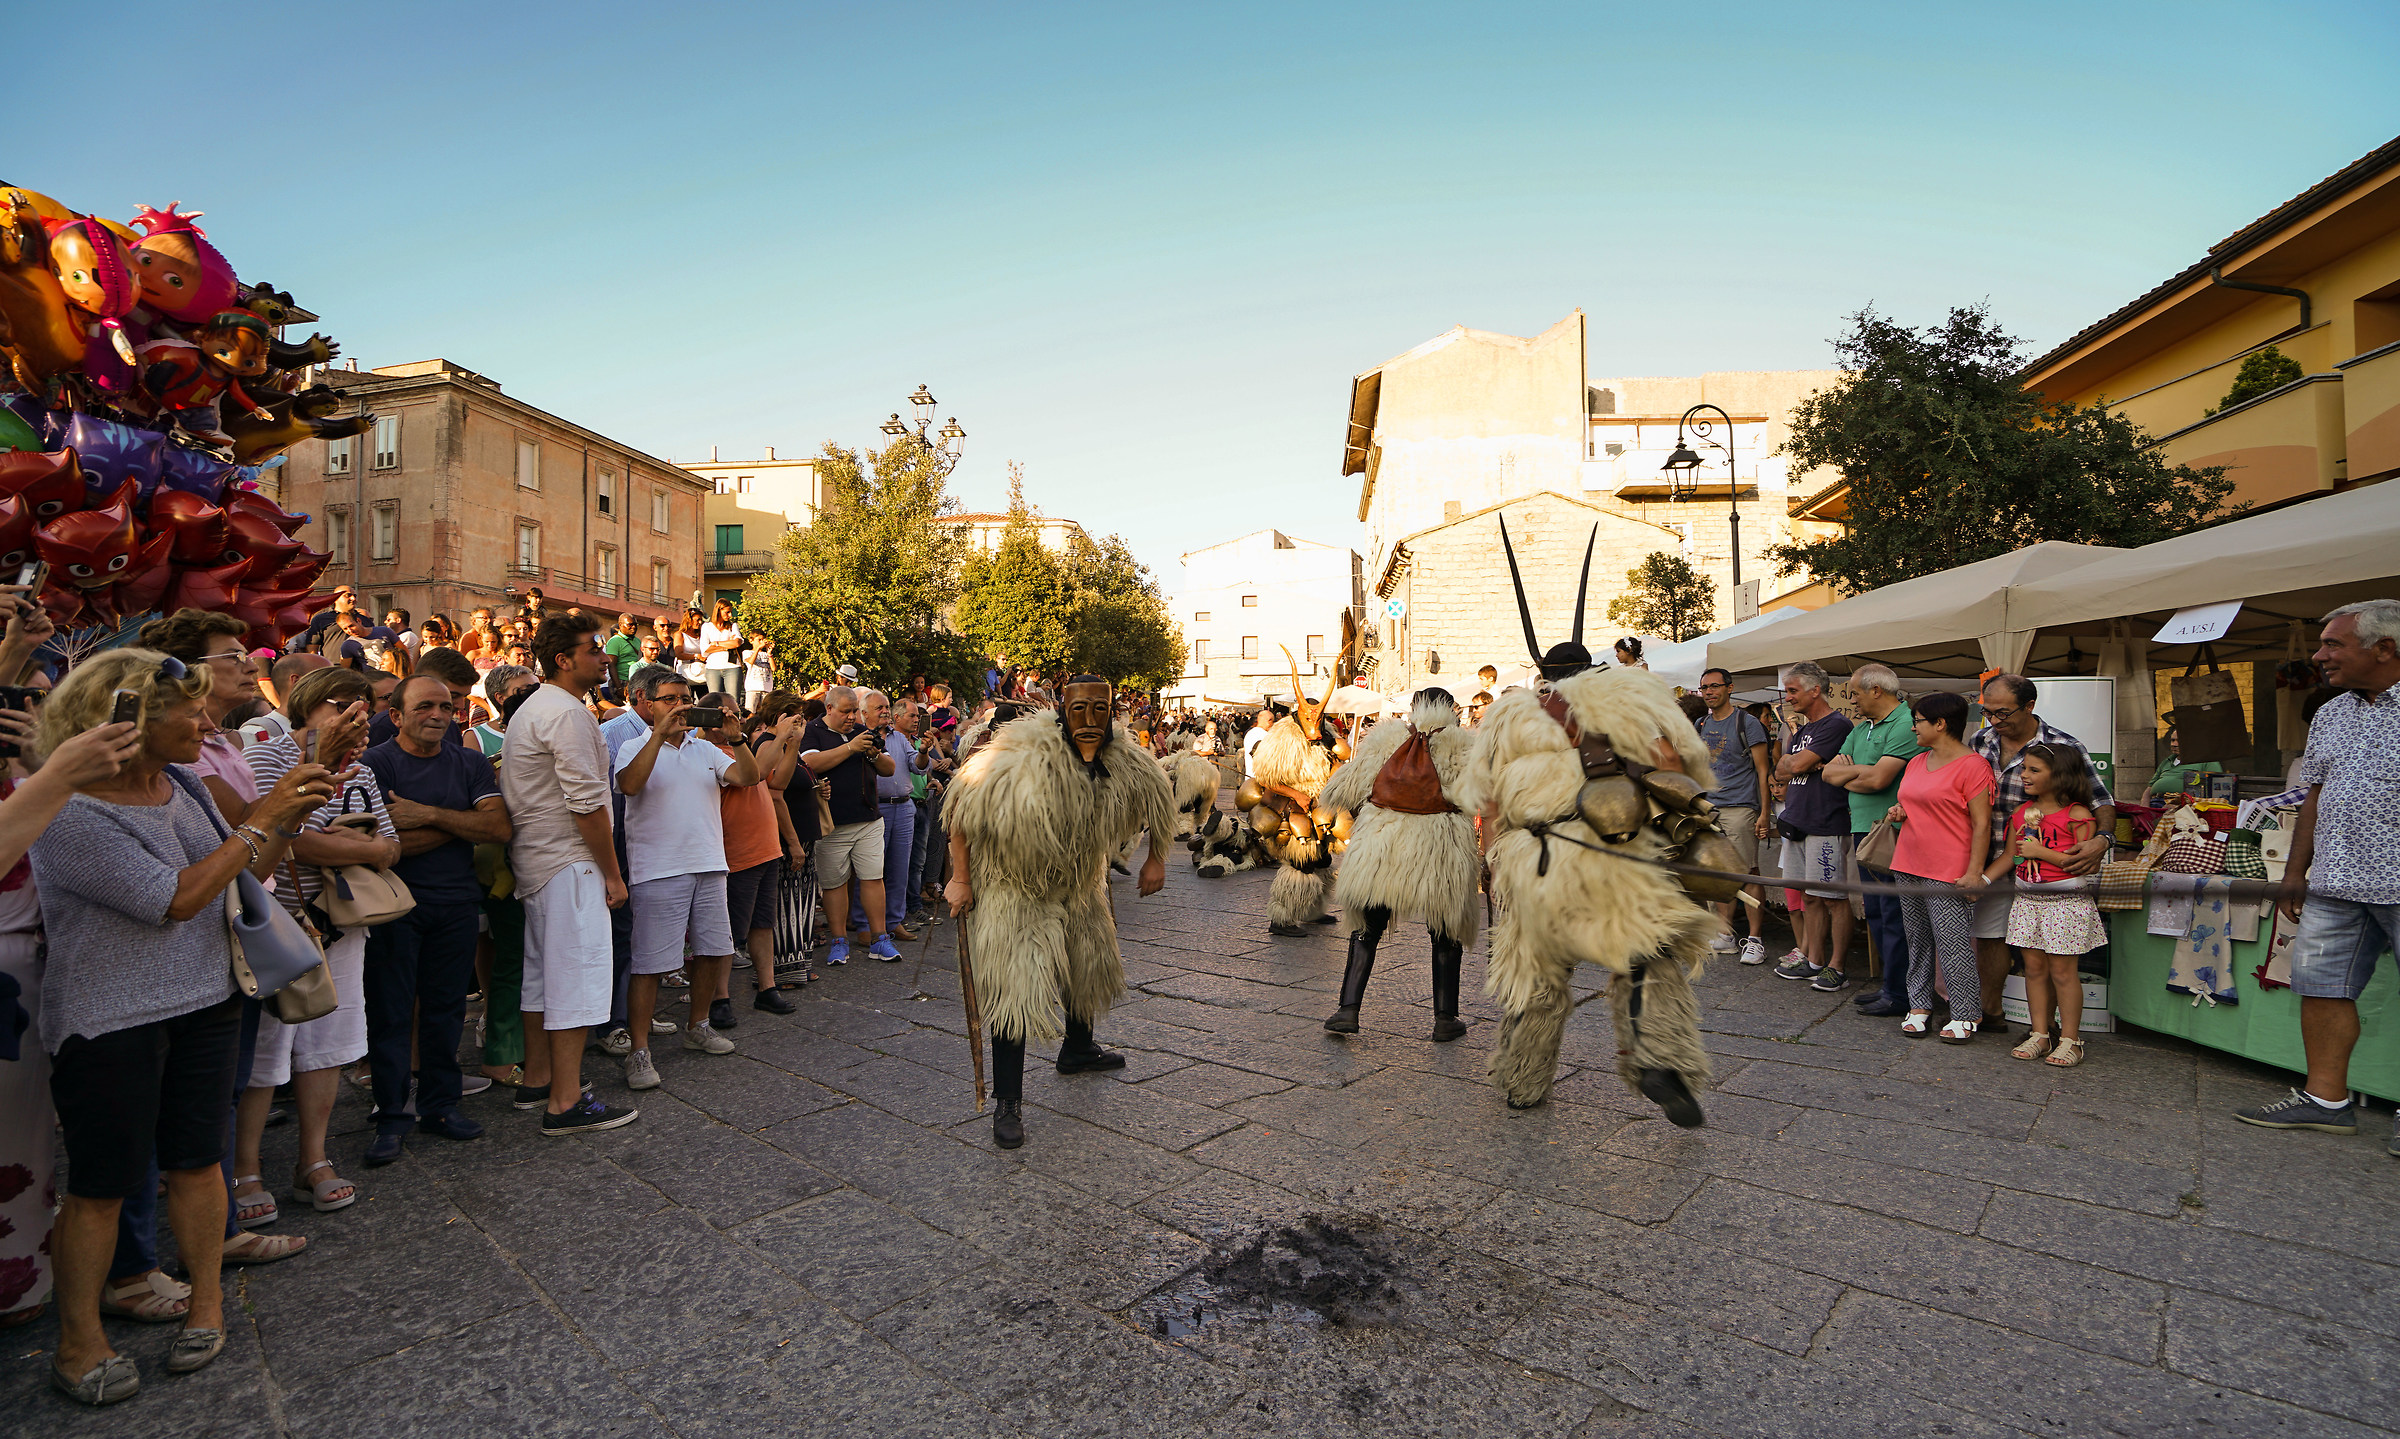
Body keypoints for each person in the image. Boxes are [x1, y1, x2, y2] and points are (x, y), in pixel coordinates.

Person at [32, 649, 336, 1403]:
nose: (207, 724)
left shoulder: (184, 783)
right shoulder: (66, 809)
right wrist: (261, 819)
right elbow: (173, 898)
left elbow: (240, 871)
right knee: (101, 1184)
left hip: (206, 1000)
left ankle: (207, 1303)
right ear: (126, 718)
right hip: (109, 1017)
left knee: (199, 1161)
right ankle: (79, 1341)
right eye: (190, 711)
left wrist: (285, 816)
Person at [944, 675, 1172, 1149]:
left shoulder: (1125, 759)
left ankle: (1078, 1047)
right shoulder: (1016, 758)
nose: (1089, 720)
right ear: (1061, 712)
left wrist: (1156, 858)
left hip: (1079, 883)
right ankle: (1008, 1101)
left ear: (1111, 711)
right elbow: (961, 813)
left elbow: (1159, 797)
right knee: (1014, 989)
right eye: (1078, 709)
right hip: (1015, 886)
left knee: (1087, 967)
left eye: (1099, 709)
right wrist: (961, 879)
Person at [2233, 600, 2400, 1142]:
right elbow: (2315, 797)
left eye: (2333, 644)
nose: (2319, 655)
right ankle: (2326, 1100)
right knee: (2322, 987)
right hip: (2335, 880)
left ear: (2384, 648)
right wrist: (2295, 871)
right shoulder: (2331, 712)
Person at [231, 667, 390, 1226]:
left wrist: (358, 846)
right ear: (307, 704)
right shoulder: (267, 753)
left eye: (363, 707)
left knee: (328, 1043)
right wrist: (355, 845)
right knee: (268, 1047)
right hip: (279, 920)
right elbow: (273, 834)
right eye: (341, 704)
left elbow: (390, 845)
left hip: (342, 922)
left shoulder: (364, 770)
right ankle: (245, 1170)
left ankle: (313, 1160)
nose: (355, 716)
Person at [359, 675, 513, 1165]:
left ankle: (441, 1107)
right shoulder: (375, 763)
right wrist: (459, 821)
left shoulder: (468, 761)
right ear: (397, 716)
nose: (439, 715)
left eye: (446, 707)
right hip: (393, 906)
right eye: (425, 706)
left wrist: (425, 814)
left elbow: (498, 827)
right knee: (391, 1012)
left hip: (456, 904)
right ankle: (390, 1115)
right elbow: (379, 846)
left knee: (447, 1011)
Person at [499, 615, 638, 1134]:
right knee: (576, 981)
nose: (604, 657)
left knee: (543, 978)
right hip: (568, 861)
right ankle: (565, 1101)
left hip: (540, 860)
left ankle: (539, 1080)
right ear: (563, 659)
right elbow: (586, 804)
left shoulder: (540, 706)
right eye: (593, 648)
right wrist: (613, 875)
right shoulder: (566, 713)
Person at [614, 680, 759, 1090]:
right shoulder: (634, 746)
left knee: (713, 951)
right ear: (650, 705)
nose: (679, 706)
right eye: (669, 700)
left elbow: (749, 777)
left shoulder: (706, 749)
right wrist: (658, 737)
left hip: (709, 864)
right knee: (650, 964)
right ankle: (639, 1049)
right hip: (658, 869)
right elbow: (629, 785)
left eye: (685, 700)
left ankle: (698, 1025)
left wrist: (738, 738)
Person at [1317, 688, 1479, 1042]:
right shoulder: (1467, 745)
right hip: (1441, 850)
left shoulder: (1386, 738)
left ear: (1414, 708)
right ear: (1452, 710)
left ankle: (1348, 1009)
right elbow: (1484, 794)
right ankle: (1445, 1018)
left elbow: (1337, 792)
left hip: (1381, 847)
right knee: (1445, 931)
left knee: (1366, 928)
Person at [1969, 674, 2114, 1023]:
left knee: (2050, 955)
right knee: (1991, 938)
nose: (1995, 721)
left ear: (2029, 706)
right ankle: (1992, 1012)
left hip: (2048, 874)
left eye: (2003, 713)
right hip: (1993, 857)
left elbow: (2101, 801)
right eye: (1988, 712)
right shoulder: (1980, 740)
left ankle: (2052, 1029)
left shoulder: (2063, 745)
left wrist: (2102, 840)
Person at [1886, 692, 1996, 1043]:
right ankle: (1919, 1006)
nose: (1913, 727)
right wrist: (1899, 812)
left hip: (1950, 869)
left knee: (1953, 942)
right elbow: (1915, 804)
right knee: (1917, 940)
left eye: (1917, 721)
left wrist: (1975, 873)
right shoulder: (1917, 761)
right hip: (1908, 862)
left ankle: (1965, 1012)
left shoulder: (1974, 766)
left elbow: (1982, 824)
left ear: (1940, 723)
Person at [1990, 743, 2107, 1067]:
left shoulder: (2078, 816)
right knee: (2034, 969)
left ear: (2060, 775)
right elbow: (2011, 855)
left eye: (2034, 770)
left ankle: (2071, 1040)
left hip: (2066, 902)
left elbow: (2085, 865)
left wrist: (2040, 853)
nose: (2024, 775)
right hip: (2027, 899)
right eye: (2024, 769)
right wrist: (1983, 880)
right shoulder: (2020, 814)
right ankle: (2040, 1034)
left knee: (2063, 972)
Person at [1819, 664, 1921, 1016]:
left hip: (1890, 831)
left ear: (1876, 690)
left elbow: (1879, 781)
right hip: (1864, 828)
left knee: (1893, 914)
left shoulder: (1905, 723)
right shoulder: (1862, 728)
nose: (1852, 700)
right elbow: (1827, 772)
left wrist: (1850, 773)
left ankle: (1900, 993)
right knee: (1875, 911)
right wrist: (1861, 772)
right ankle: (1891, 987)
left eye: (1856, 693)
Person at [700, 700, 802, 1015]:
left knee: (762, 924)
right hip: (738, 853)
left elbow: (776, 782)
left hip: (764, 850)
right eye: (732, 713)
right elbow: (755, 774)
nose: (740, 719)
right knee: (729, 931)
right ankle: (719, 997)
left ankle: (767, 988)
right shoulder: (709, 753)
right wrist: (781, 736)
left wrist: (791, 742)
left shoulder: (739, 748)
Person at [1769, 663, 1855, 989]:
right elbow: (1781, 770)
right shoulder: (1803, 729)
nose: (1788, 698)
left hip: (1826, 821)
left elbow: (1795, 765)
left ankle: (1837, 967)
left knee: (1833, 897)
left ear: (1815, 690)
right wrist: (1800, 763)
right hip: (1798, 821)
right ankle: (1815, 961)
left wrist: (1799, 763)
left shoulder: (1837, 724)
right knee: (1810, 896)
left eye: (1793, 691)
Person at [139, 609, 266, 826]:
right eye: (235, 657)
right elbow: (245, 822)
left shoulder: (217, 738)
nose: (253, 667)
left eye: (247, 656)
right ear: (188, 667)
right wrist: (309, 775)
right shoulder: (177, 746)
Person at [801, 686, 897, 966]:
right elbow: (810, 763)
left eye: (855, 711)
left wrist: (873, 755)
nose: (852, 717)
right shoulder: (813, 730)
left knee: (873, 878)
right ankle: (839, 941)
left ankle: (880, 939)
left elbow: (889, 768)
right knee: (834, 884)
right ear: (829, 708)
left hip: (867, 818)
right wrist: (850, 748)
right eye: (846, 711)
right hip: (832, 823)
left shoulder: (861, 731)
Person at [1694, 667, 1773, 965]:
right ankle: (1725, 933)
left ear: (1730, 688)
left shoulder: (1747, 723)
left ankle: (1755, 940)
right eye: (1705, 687)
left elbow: (1763, 770)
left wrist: (1764, 812)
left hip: (1740, 806)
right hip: (1710, 808)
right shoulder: (1701, 723)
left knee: (1747, 872)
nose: (1709, 692)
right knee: (1718, 873)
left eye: (1715, 686)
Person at [865, 692, 924, 945]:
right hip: (876, 808)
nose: (885, 711)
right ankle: (867, 924)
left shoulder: (899, 738)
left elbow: (917, 765)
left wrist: (924, 751)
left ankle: (894, 921)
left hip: (903, 807)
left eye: (887, 706)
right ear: (865, 712)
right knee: (871, 870)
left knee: (900, 869)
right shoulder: (862, 737)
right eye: (879, 707)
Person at [601, 613, 642, 697]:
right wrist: (619, 687)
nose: (633, 627)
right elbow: (611, 665)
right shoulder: (614, 641)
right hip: (622, 681)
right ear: (620, 625)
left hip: (636, 681)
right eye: (630, 624)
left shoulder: (637, 641)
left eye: (635, 624)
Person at [745, 632, 775, 712]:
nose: (761, 642)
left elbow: (773, 668)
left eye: (763, 640)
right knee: (750, 711)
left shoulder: (765, 654)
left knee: (765, 712)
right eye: (759, 640)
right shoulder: (747, 652)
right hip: (753, 687)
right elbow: (750, 661)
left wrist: (769, 654)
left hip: (767, 688)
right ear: (751, 641)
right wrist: (758, 649)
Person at [1241, 706, 1271, 778]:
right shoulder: (1265, 735)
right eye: (1272, 721)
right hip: (1260, 778)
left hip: (1250, 776)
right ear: (1268, 721)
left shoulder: (1249, 733)